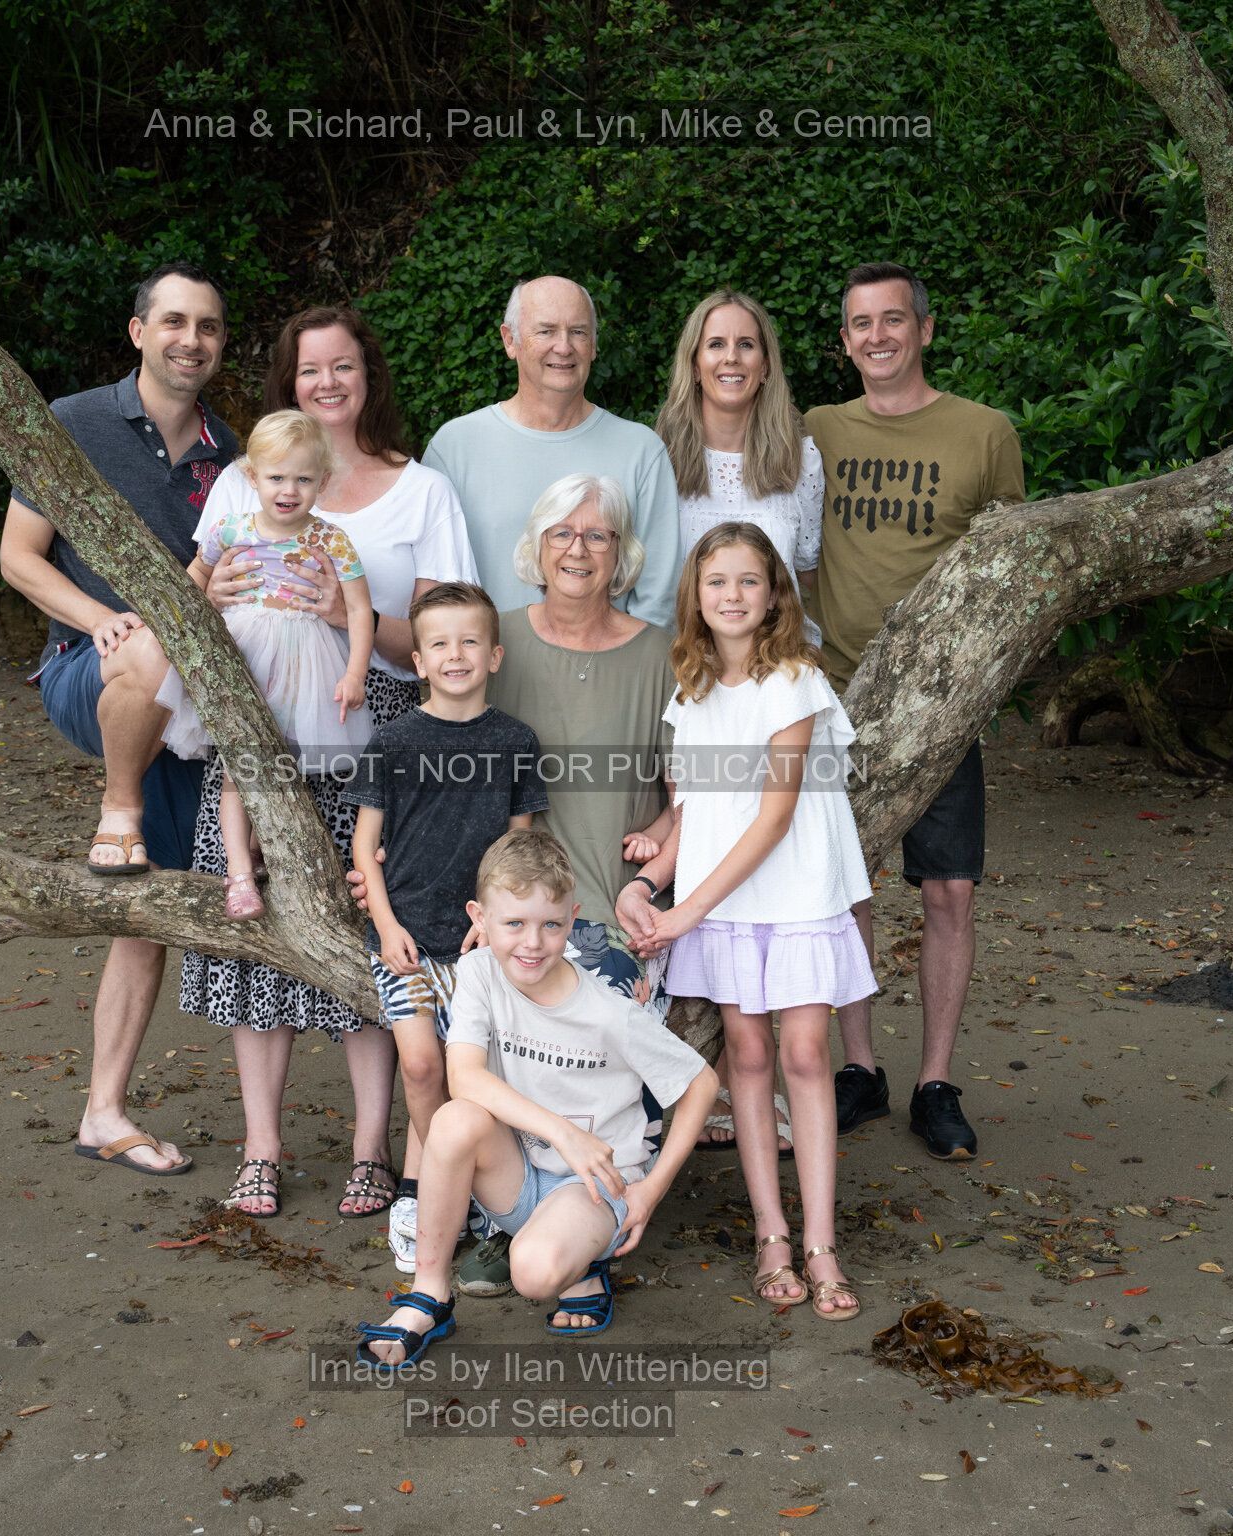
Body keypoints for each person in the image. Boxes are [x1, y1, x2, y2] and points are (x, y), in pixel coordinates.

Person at [346, 472, 681, 1295]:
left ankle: (573, 1205)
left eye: (597, 534)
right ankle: (462, 1199)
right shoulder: (446, 692)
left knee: (542, 1044)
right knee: (452, 1053)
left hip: (560, 917)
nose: (579, 548)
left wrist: (649, 873)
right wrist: (385, 903)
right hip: (459, 921)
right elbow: (385, 826)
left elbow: (677, 805)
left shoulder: (642, 665)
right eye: (562, 532)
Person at [181, 306, 478, 1218]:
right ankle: (261, 1147)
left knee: (366, 929)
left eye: (343, 366)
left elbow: (435, 637)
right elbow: (197, 591)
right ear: (289, 382)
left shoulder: (421, 491)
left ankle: (370, 1147)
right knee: (259, 929)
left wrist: (341, 617)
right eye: (310, 369)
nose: (327, 383)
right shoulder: (242, 483)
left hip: (366, 719)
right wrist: (219, 593)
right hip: (259, 710)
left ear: (368, 374)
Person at [0, 260, 235, 1176]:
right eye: (173, 321)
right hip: (87, 670)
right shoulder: (72, 423)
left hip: (185, 700)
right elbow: (19, 557)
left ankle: (103, 1110)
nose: (190, 339)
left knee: (145, 905)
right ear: (138, 332)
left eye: (207, 326)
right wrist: (102, 621)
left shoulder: (228, 454)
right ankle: (118, 804)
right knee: (142, 649)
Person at [625, 523, 876, 1320]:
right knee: (749, 1055)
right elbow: (695, 812)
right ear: (695, 596)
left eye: (747, 581)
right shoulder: (692, 688)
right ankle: (772, 1233)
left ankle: (821, 1243)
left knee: (804, 1052)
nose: (731, 595)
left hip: (795, 890)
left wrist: (684, 914)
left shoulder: (794, 680)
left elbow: (773, 818)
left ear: (774, 596)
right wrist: (649, 882)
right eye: (716, 581)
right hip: (726, 900)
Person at [805, 261, 1025, 1161]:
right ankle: (859, 1068)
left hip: (940, 704)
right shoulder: (816, 431)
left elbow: (1010, 574)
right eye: (861, 324)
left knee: (948, 890)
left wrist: (978, 684)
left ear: (924, 329)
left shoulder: (984, 433)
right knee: (843, 888)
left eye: (893, 319)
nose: (878, 336)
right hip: (834, 696)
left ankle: (936, 1081)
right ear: (845, 340)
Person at [352, 829, 717, 1368]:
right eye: (514, 924)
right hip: (520, 1173)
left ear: (572, 919)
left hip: (594, 1185)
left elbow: (700, 1083)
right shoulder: (479, 972)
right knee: (454, 1119)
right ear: (479, 918)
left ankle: (585, 1264)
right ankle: (429, 1294)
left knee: (532, 1274)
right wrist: (564, 1133)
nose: (532, 943)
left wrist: (652, 1190)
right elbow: (465, 1078)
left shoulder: (607, 1011)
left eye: (550, 925)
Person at [346, 582, 548, 1271]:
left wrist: (497, 925)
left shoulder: (515, 740)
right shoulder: (393, 741)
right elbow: (363, 846)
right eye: (439, 644)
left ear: (494, 655)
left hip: (477, 945)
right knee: (422, 1064)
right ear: (419, 661)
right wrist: (385, 924)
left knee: (477, 1071)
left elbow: (518, 849)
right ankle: (425, 1190)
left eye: (469, 641)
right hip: (404, 935)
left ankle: (461, 1189)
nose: (455, 654)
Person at [157, 411, 375, 918]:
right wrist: (195, 622)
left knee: (284, 769)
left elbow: (360, 609)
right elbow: (195, 576)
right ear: (252, 477)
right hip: (245, 658)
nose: (289, 490)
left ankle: (262, 853)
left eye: (303, 479)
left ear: (323, 481)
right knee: (239, 767)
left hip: (306, 665)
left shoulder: (331, 539)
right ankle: (238, 875)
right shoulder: (231, 529)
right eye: (276, 477)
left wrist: (355, 673)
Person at [422, 276, 681, 625]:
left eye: (578, 332)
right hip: (485, 659)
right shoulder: (454, 448)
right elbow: (434, 591)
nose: (564, 346)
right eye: (546, 331)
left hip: (607, 660)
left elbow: (658, 601)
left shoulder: (641, 451)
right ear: (510, 340)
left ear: (593, 345)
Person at [654, 289, 824, 640]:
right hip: (682, 661)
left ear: (765, 367)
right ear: (694, 366)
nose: (731, 357)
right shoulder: (658, 460)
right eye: (716, 344)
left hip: (779, 661)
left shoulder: (801, 460)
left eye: (746, 344)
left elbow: (808, 576)